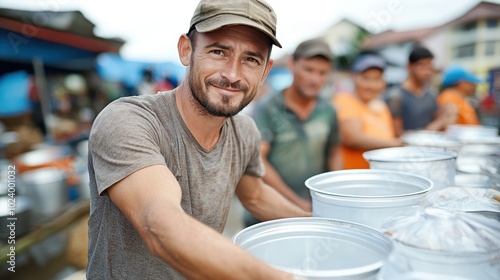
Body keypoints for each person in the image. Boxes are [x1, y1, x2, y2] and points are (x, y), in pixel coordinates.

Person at [86, 0, 310, 279]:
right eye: (218, 51)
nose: (232, 74)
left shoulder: (245, 132)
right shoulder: (128, 121)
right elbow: (159, 225)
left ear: (265, 71)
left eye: (251, 59)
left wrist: (322, 226)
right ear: (186, 50)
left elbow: (255, 195)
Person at [243, 38, 343, 226]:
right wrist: (297, 204)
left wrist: (335, 195)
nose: (315, 79)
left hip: (315, 210)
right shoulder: (269, 108)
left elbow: (334, 153)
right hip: (269, 214)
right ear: (292, 64)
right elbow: (258, 160)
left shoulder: (328, 110)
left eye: (322, 73)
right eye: (308, 70)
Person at [333, 54, 402, 169]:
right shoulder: (344, 100)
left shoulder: (381, 106)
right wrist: (397, 144)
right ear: (353, 77)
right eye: (366, 78)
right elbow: (352, 139)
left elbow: (389, 136)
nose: (371, 85)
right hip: (355, 178)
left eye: (376, 79)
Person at [385, 47, 456, 136]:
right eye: (422, 66)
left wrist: (446, 114)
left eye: (429, 67)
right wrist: (436, 125)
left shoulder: (430, 96)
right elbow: (397, 135)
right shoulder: (395, 97)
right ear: (409, 67)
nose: (427, 72)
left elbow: (439, 124)